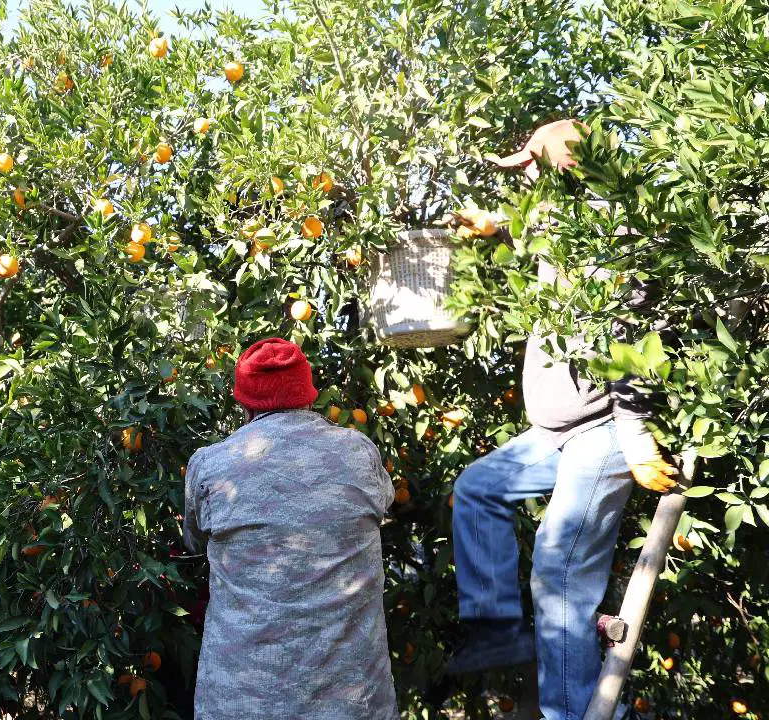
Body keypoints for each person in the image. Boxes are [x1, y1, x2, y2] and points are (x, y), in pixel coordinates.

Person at [444, 119, 679, 719]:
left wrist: (635, 437)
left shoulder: (615, 239)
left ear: (564, 169)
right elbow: (535, 243)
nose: (522, 173)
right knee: (477, 490)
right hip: (556, 431)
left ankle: (571, 713)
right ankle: (498, 631)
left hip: (604, 427)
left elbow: (630, 344)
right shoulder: (561, 222)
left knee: (559, 571)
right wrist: (496, 229)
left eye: (529, 163)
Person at [183, 337, 398, 719]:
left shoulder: (212, 466)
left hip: (243, 700)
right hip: (352, 701)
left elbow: (193, 541)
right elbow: (383, 506)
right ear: (308, 394)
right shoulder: (358, 452)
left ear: (244, 402)